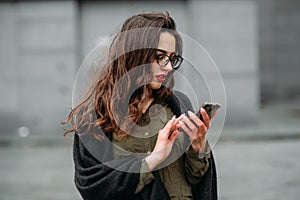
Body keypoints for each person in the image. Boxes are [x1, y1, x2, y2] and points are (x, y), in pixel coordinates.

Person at [62, 12, 218, 200]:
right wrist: (153, 159)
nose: (168, 67)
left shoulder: (179, 104)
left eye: (172, 58)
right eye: (159, 56)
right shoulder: (98, 114)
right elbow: (93, 185)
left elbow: (196, 178)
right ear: (135, 54)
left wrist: (198, 146)